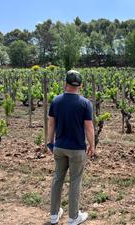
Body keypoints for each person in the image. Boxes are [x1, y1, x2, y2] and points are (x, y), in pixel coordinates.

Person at [47, 70, 94, 225]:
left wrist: (49, 142)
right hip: (77, 149)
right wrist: (92, 145)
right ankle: (73, 217)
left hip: (59, 147)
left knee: (57, 178)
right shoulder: (85, 103)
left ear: (65, 84)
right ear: (80, 85)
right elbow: (88, 127)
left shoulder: (55, 101)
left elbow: (51, 123)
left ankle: (54, 215)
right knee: (75, 181)